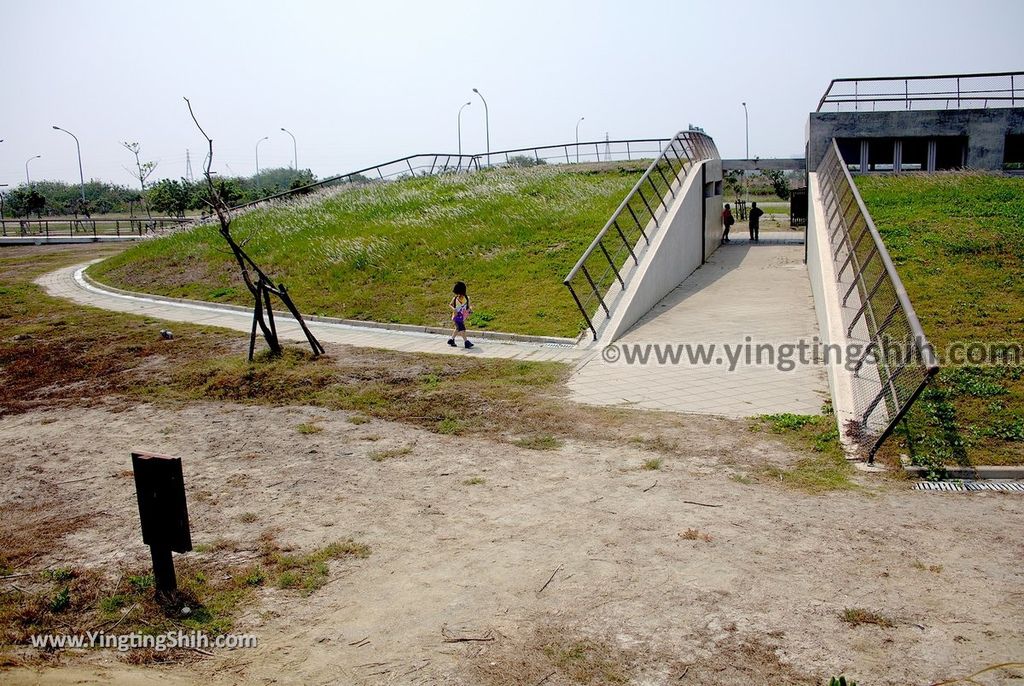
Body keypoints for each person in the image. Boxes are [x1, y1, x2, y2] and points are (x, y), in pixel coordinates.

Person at [447, 281, 474, 349]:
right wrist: (454, 309)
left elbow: (468, 307)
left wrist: (470, 310)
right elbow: (450, 304)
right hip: (456, 316)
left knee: (457, 328)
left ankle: (451, 340)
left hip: (462, 316)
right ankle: (466, 342)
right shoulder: (455, 298)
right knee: (462, 329)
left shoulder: (467, 298)